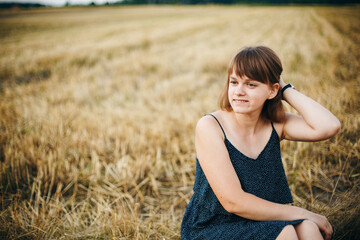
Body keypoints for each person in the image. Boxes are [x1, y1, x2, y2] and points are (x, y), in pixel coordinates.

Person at [180, 46, 340, 240]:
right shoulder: (210, 126)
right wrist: (304, 212)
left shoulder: (275, 124)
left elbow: (329, 126)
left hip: (260, 218)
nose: (238, 91)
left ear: (272, 90)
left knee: (308, 228)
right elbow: (233, 202)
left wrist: (286, 90)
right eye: (234, 82)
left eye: (251, 85)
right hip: (212, 226)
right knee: (287, 231)